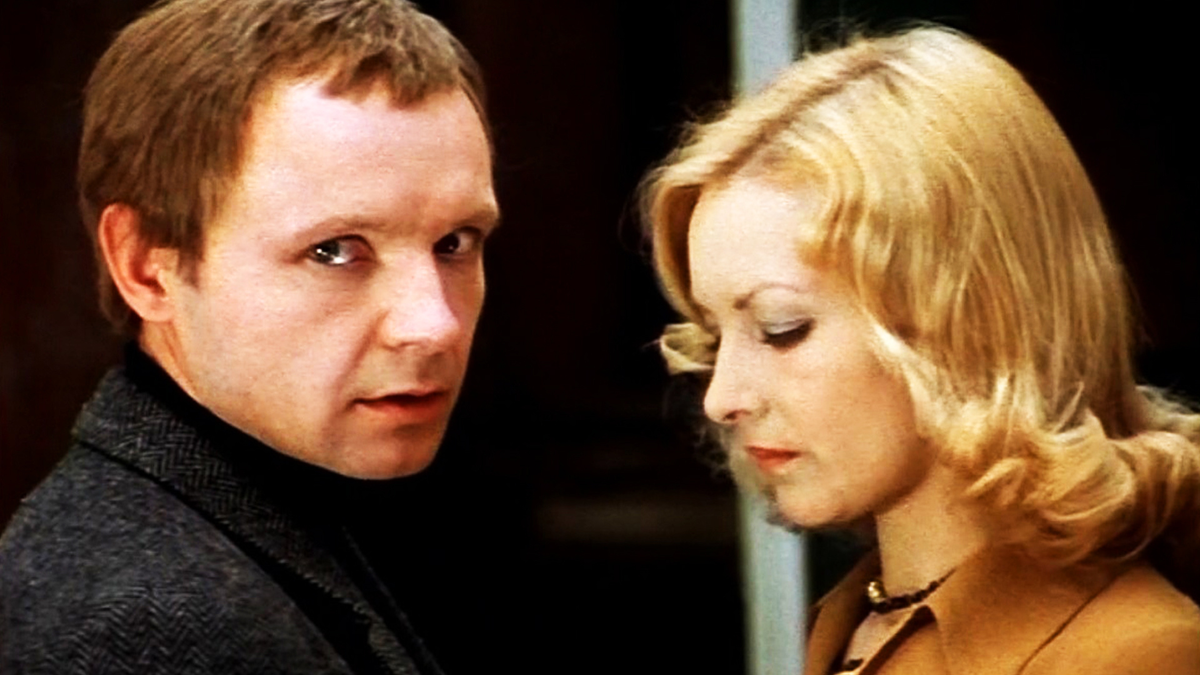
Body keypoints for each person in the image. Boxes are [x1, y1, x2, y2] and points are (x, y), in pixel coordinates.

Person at [641, 26, 1200, 674]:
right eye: (714, 336)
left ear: (969, 314)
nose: (721, 398)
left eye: (780, 327)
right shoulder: (847, 625)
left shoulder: (1134, 652)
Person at [0, 0, 497, 672]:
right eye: (334, 251)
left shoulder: (271, 511)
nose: (434, 324)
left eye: (454, 242)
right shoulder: (152, 625)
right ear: (146, 266)